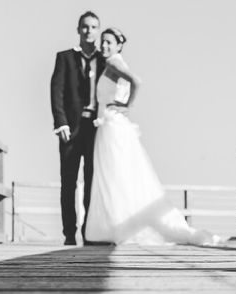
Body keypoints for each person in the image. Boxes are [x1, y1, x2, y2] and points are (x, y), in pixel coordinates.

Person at [86, 28, 222, 246]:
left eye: (109, 42)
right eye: (103, 42)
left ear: (119, 45)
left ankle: (120, 225)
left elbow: (136, 81)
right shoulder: (111, 63)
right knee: (116, 174)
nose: (104, 46)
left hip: (114, 122)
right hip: (109, 122)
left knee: (117, 174)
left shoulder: (114, 63)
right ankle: (116, 224)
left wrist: (127, 106)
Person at [50, 11, 106, 246]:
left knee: (93, 180)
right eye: (85, 27)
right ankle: (69, 233)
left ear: (98, 30)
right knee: (69, 182)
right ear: (78, 29)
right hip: (70, 128)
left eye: (93, 27)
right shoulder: (64, 57)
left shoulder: (106, 60)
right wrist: (60, 122)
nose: (89, 31)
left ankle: (89, 232)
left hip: (95, 129)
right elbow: (56, 92)